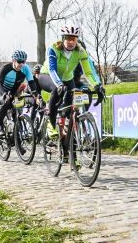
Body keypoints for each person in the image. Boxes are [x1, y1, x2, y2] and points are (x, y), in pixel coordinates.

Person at [37, 25, 101, 158]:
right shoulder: (53, 48)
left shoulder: (81, 51)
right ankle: (51, 125)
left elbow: (88, 72)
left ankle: (67, 142)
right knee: (56, 90)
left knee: (70, 110)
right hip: (47, 76)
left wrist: (97, 86)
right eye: (68, 38)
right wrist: (59, 84)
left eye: (74, 39)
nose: (71, 41)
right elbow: (52, 70)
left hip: (67, 79)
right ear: (63, 38)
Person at [0, 50, 39, 134]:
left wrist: (36, 95)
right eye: (19, 61)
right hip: (0, 90)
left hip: (13, 91)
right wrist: (4, 94)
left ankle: (17, 134)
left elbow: (31, 82)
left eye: (23, 62)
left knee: (16, 109)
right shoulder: (5, 68)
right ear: (13, 60)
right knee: (6, 102)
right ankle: (0, 125)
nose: (21, 64)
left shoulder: (25, 68)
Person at [73, 40, 106, 110]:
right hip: (62, 83)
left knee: (86, 92)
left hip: (76, 84)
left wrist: (98, 85)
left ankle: (82, 114)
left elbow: (92, 73)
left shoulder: (86, 58)